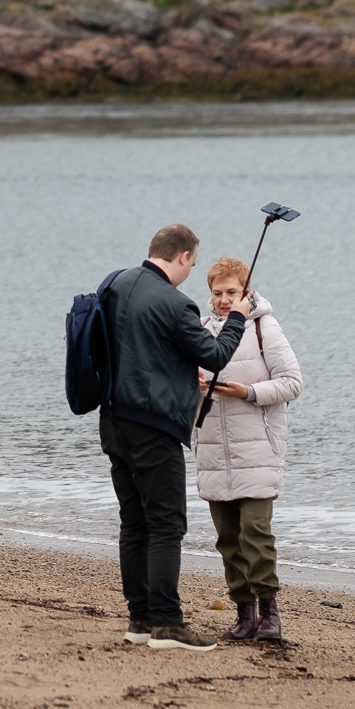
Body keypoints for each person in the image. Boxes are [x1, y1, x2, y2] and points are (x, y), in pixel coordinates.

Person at [100, 224, 248, 651]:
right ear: (182, 257)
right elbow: (216, 355)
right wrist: (236, 318)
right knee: (166, 524)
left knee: (135, 522)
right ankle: (167, 623)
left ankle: (139, 620)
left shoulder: (116, 283)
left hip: (112, 420)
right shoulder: (174, 303)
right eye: (194, 264)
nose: (191, 271)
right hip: (153, 425)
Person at [195, 257, 303, 643]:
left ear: (247, 292)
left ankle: (270, 615)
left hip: (258, 447)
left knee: (255, 531)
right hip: (212, 449)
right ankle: (244, 614)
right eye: (218, 293)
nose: (225, 300)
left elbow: (292, 383)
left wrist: (249, 392)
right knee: (227, 537)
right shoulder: (200, 330)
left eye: (232, 292)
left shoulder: (264, 327)